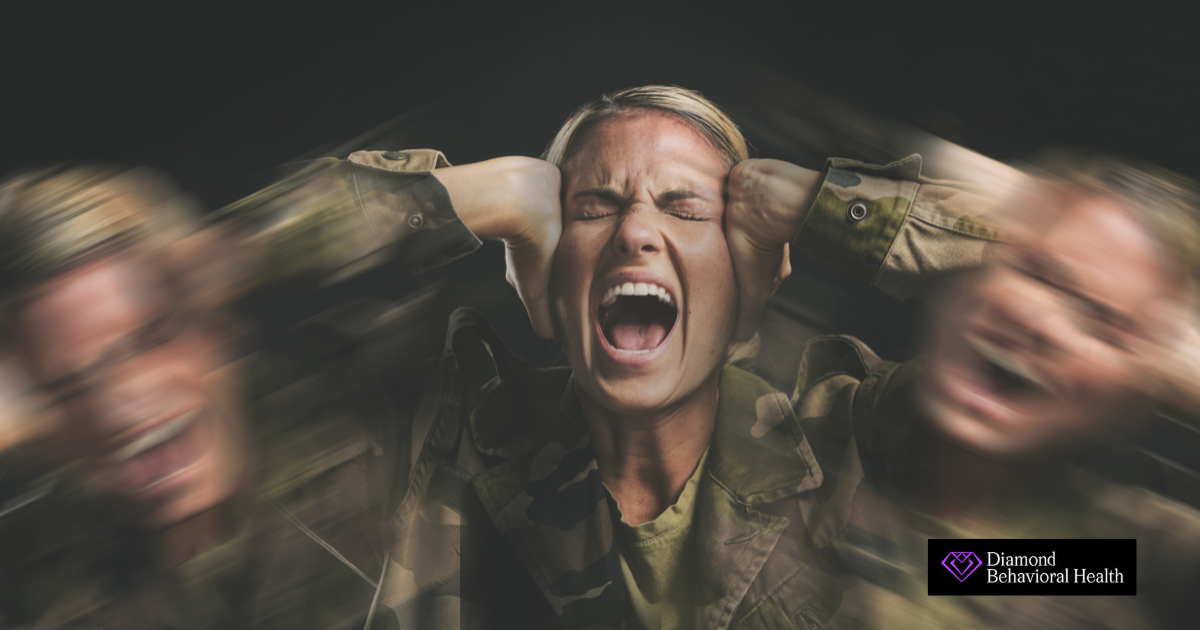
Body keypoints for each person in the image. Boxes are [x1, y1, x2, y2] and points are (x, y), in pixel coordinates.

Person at [366, 86, 1004, 630]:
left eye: (687, 210)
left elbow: (1049, 570)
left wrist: (821, 203)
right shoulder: (451, 431)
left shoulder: (855, 443)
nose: (634, 233)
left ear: (751, 279)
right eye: (593, 209)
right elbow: (299, 251)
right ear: (546, 278)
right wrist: (477, 193)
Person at [0, 153, 557, 629]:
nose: (119, 405)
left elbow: (519, 191)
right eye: (69, 385)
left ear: (217, 322)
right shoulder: (56, 592)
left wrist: (255, 246)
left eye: (151, 337)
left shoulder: (393, 409)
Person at [788, 152, 1200, 630]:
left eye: (1104, 325)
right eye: (1035, 272)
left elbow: (954, 569)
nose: (1042, 324)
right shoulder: (787, 415)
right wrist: (846, 207)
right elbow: (758, 192)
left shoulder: (1110, 561)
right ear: (963, 269)